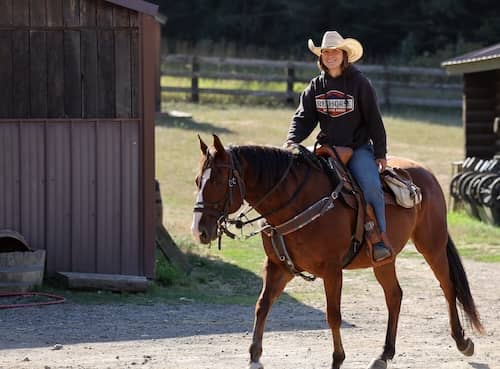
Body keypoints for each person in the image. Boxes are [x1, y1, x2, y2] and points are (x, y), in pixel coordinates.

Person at [284, 31, 392, 261]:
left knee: (371, 186)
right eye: (326, 52)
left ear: (344, 55)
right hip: (326, 149)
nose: (330, 56)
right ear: (321, 57)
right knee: (302, 182)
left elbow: (374, 120)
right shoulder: (315, 86)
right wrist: (291, 141)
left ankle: (379, 239)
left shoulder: (360, 83)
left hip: (358, 149)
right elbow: (303, 119)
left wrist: (380, 153)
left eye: (335, 52)